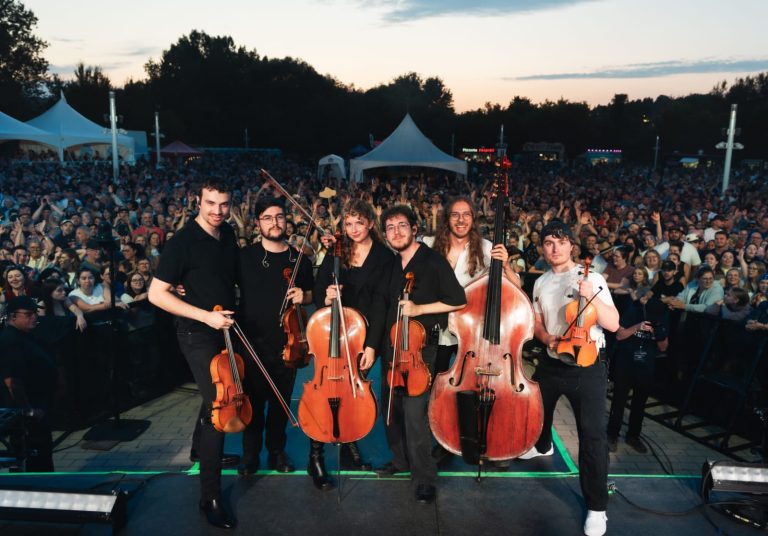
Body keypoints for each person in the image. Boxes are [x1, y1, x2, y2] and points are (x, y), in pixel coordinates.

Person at [148, 179, 240, 529]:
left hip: (224, 328)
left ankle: (199, 452)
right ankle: (210, 496)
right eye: (210, 203)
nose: (217, 211)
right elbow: (158, 294)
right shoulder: (181, 242)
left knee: (212, 393)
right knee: (219, 404)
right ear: (197, 202)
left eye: (224, 204)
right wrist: (205, 315)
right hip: (197, 332)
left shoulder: (228, 234)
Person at [520, 220, 619, 536]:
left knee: (592, 438)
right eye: (548, 242)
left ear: (571, 246)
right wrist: (545, 336)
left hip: (587, 367)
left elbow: (614, 324)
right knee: (538, 409)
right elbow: (536, 322)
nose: (554, 248)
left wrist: (592, 297)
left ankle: (597, 508)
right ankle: (543, 444)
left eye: (560, 242)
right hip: (553, 361)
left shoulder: (592, 277)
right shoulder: (541, 282)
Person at [363, 205, 466, 505]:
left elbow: (457, 300)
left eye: (401, 225)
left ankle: (424, 478)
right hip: (391, 347)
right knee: (390, 409)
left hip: (421, 350)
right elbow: (382, 304)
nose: (396, 231)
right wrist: (371, 346)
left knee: (414, 415)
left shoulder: (432, 261)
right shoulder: (392, 264)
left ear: (414, 228)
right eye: (390, 227)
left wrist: (420, 309)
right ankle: (400, 461)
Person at [311, 199, 394, 486]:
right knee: (326, 393)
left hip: (363, 337)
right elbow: (319, 285)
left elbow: (383, 303)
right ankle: (316, 455)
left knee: (351, 393)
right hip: (333, 335)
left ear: (371, 223)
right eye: (348, 223)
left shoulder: (385, 257)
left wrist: (372, 345)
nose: (354, 228)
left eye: (360, 222)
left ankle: (346, 441)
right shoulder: (337, 250)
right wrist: (327, 296)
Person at [235, 197, 312, 481]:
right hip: (251, 343)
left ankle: (277, 451)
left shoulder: (299, 259)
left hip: (287, 343)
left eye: (279, 217)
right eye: (267, 218)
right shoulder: (244, 257)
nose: (274, 223)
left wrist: (306, 296)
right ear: (258, 223)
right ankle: (250, 454)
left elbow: (312, 293)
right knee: (253, 403)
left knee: (281, 404)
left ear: (286, 220)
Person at [0, 296, 57, 472]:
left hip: (37, 403)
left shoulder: (27, 335)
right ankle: (36, 487)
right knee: (32, 452)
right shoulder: (9, 340)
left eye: (35, 313)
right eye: (28, 314)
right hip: (26, 411)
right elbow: (12, 380)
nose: (34, 317)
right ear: (13, 316)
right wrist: (27, 409)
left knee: (39, 452)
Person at [607, 298, 669, 454]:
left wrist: (657, 332)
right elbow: (619, 335)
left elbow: (663, 347)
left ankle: (633, 436)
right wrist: (637, 327)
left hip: (646, 366)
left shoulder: (662, 319)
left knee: (639, 404)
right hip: (626, 363)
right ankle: (612, 435)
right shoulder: (633, 313)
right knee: (619, 401)